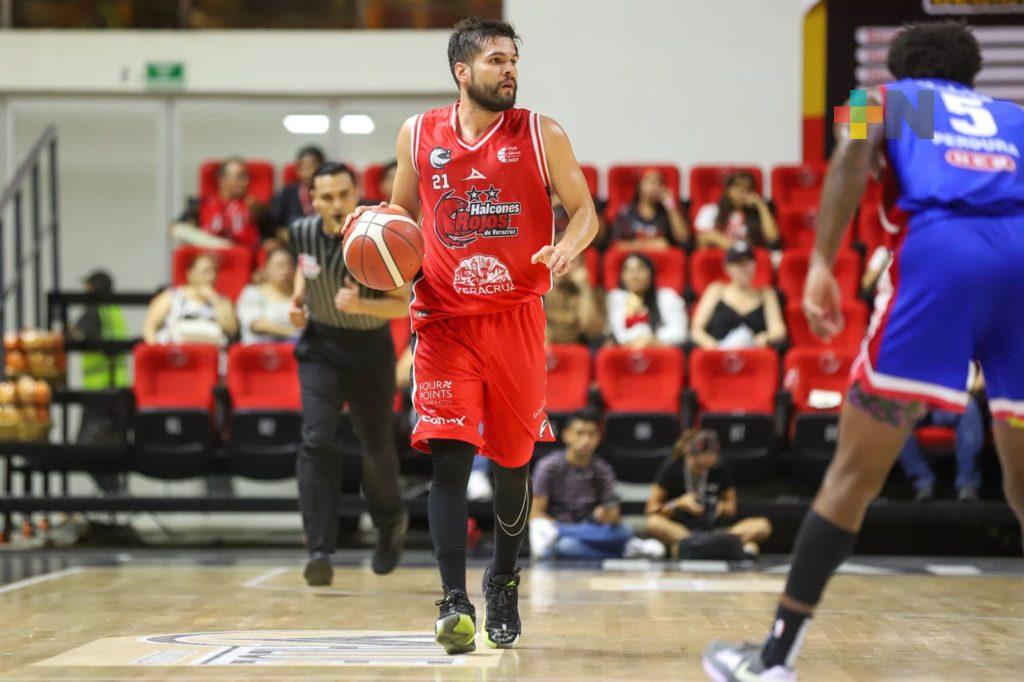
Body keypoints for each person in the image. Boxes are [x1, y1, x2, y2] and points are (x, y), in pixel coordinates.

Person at [704, 23, 1024, 681]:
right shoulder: (1013, 115)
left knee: (851, 476)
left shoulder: (876, 98)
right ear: (970, 73)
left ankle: (774, 660)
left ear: (901, 71)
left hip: (940, 255)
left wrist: (822, 261)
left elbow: (853, 152)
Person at [345, 17, 598, 654]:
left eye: (513, 61)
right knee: (451, 458)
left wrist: (566, 247)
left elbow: (585, 212)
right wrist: (368, 230)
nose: (509, 71)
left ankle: (503, 580)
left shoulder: (541, 133)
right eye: (495, 60)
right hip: (443, 319)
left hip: (515, 317)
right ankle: (453, 599)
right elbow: (402, 217)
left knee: (512, 466)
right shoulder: (417, 133)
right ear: (462, 71)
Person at [289, 162, 410, 585]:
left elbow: (402, 304)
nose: (336, 203)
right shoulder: (301, 231)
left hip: (369, 347)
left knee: (375, 445)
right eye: (327, 197)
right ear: (313, 199)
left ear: (356, 192)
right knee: (315, 439)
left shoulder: (378, 232)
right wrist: (298, 301)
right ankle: (319, 549)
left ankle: (390, 522)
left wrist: (361, 305)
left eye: (343, 194)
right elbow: (305, 268)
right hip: (321, 346)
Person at [531, 409, 665, 560]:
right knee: (567, 546)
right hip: (560, 526)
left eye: (591, 434)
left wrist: (606, 515)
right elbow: (536, 514)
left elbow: (614, 515)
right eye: (580, 433)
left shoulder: (602, 469)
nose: (586, 440)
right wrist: (557, 526)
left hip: (591, 528)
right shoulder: (549, 466)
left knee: (624, 531)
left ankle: (559, 532)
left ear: (599, 438)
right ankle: (625, 551)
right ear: (566, 434)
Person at [645, 429, 771, 559]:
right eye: (698, 466)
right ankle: (719, 548)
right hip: (683, 531)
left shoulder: (720, 467)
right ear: (688, 453)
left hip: (716, 531)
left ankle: (697, 548)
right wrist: (678, 504)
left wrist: (721, 507)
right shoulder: (672, 467)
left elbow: (731, 507)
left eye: (708, 467)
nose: (702, 471)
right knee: (653, 523)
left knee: (762, 525)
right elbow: (651, 509)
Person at [70, 270, 130, 495]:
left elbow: (75, 335)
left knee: (84, 450)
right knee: (108, 451)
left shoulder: (94, 311)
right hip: (118, 391)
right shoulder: (113, 311)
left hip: (99, 393)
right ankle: (115, 494)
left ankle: (114, 494)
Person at [898, 370, 986, 501]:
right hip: (915, 398)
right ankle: (922, 481)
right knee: (895, 418)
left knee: (970, 407)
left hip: (953, 400)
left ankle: (968, 484)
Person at [690, 241, 786, 350]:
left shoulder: (766, 294)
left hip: (753, 354)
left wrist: (764, 338)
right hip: (719, 353)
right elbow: (696, 329)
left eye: (748, 262)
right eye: (739, 264)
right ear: (727, 268)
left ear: (755, 265)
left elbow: (779, 331)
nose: (744, 268)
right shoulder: (716, 290)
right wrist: (712, 346)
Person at [142, 253, 238, 346]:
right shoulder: (171, 296)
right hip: (175, 351)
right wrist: (156, 351)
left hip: (210, 352)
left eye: (214, 272)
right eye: (206, 271)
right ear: (190, 273)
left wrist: (215, 300)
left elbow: (231, 331)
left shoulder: (223, 301)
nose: (211, 277)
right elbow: (149, 326)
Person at [176, 157, 265, 253]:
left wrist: (260, 214)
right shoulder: (201, 204)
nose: (246, 182)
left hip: (244, 258)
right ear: (222, 179)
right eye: (240, 177)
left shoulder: (254, 207)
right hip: (211, 257)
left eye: (247, 177)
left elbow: (268, 239)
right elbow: (177, 228)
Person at [606, 253, 686, 348]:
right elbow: (618, 335)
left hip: (657, 350)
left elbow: (679, 331)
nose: (634, 276)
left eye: (640, 269)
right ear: (622, 276)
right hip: (624, 351)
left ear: (651, 273)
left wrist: (651, 339)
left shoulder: (667, 297)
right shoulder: (615, 298)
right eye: (629, 271)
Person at [694, 170, 779, 249]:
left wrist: (762, 206)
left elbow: (773, 239)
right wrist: (737, 247)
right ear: (727, 190)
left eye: (747, 189)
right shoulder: (710, 210)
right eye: (737, 188)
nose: (741, 193)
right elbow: (703, 239)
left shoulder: (756, 214)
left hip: (749, 258)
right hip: (721, 256)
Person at [610, 168, 689, 247]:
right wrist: (651, 245)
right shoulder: (626, 212)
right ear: (639, 186)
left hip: (659, 255)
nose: (655, 186)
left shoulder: (667, 212)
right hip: (634, 254)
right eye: (650, 181)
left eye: (659, 182)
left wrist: (670, 206)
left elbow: (683, 239)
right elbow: (617, 244)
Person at [236, 248, 300, 344]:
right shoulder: (252, 293)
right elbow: (256, 325)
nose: (285, 270)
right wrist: (294, 333)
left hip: (297, 347)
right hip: (262, 348)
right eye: (279, 266)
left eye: (289, 265)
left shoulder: (301, 295)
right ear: (267, 269)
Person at [543, 253, 605, 346]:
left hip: (579, 343)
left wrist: (584, 288)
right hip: (550, 344)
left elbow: (590, 329)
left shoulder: (588, 290)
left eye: (575, 262)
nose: (571, 266)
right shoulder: (546, 290)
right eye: (569, 261)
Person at [269, 146, 325, 239]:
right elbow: (274, 225)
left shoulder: (331, 192)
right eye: (303, 168)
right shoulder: (287, 192)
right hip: (292, 242)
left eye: (312, 167)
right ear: (297, 171)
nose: (308, 173)